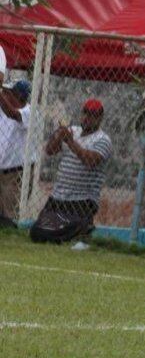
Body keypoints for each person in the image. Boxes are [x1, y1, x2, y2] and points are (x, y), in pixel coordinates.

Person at [30, 99, 112, 243]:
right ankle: (77, 231)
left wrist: (70, 141)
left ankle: (81, 229)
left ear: (100, 118)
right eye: (85, 113)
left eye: (92, 115)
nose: (87, 118)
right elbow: (50, 150)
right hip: (58, 196)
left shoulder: (103, 139)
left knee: (55, 232)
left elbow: (90, 161)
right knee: (37, 232)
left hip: (82, 200)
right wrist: (58, 136)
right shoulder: (73, 130)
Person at [0, 80, 31, 227]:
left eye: (7, 93)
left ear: (18, 95)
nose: (5, 96)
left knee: (9, 217)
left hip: (14, 172)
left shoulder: (29, 111)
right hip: (2, 169)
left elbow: (13, 114)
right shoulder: (4, 109)